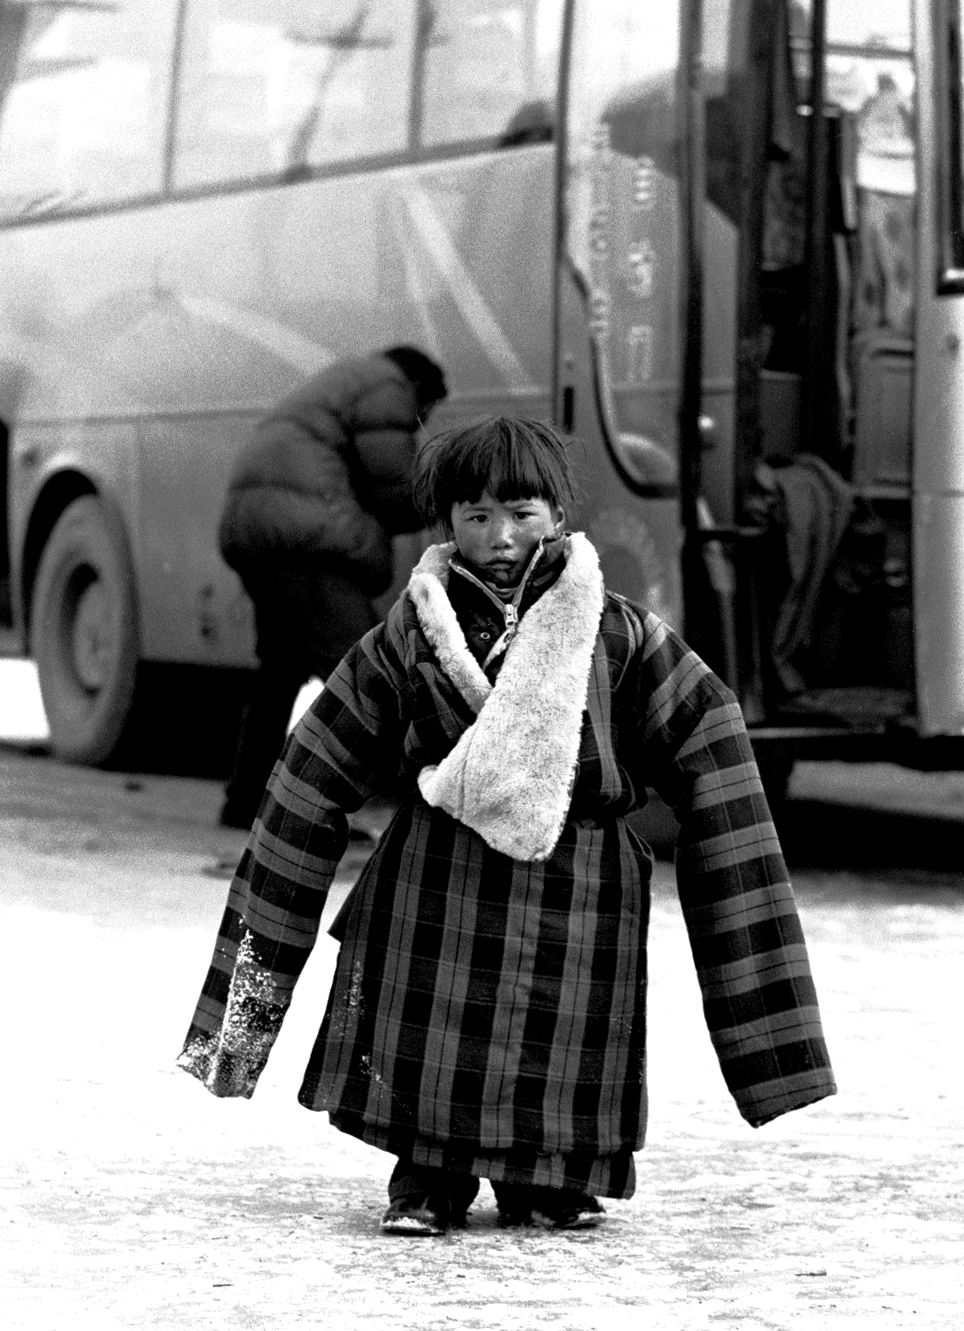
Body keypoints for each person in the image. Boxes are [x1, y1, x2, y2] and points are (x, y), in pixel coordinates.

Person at [179, 416, 835, 1235]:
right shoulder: (409, 633)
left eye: (522, 513)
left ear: (558, 512)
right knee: (429, 1051)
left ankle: (550, 1177)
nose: (501, 537)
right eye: (476, 517)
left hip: (580, 889)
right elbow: (310, 777)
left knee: (558, 1056)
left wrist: (770, 1042)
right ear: (446, 526)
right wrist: (236, 1020)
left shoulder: (620, 632)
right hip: (437, 885)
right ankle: (427, 1177)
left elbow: (713, 742)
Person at [216, 345, 447, 830]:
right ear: (420, 387)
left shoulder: (346, 381)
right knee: (373, 677)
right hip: (306, 540)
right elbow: (393, 483)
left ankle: (242, 805)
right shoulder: (388, 387)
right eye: (425, 412)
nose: (422, 420)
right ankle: (416, 822)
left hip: (259, 531)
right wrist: (452, 500)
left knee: (278, 672)